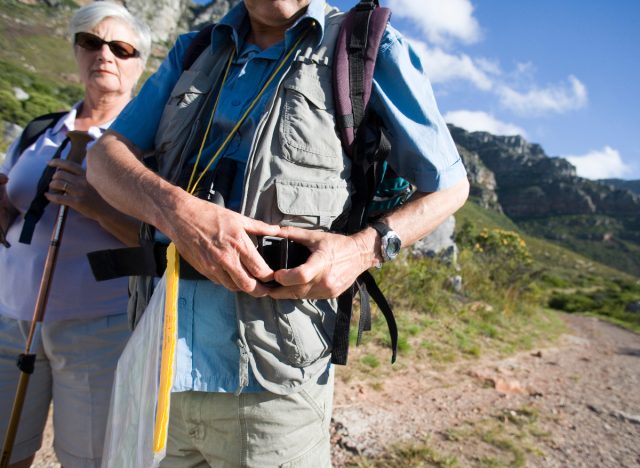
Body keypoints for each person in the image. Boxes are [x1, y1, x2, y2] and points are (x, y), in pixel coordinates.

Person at [88, 0, 470, 466]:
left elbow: (450, 187)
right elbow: (105, 157)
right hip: (156, 365)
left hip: (274, 384)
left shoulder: (366, 48)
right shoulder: (194, 49)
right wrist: (177, 212)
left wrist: (362, 250)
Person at [0, 2, 150, 467]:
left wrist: (95, 205)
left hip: (98, 330)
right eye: (91, 42)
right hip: (8, 319)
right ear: (76, 52)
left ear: (139, 65)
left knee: (88, 459)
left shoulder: (147, 145)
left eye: (120, 47)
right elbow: (11, 217)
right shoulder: (38, 132)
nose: (104, 54)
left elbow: (157, 245)